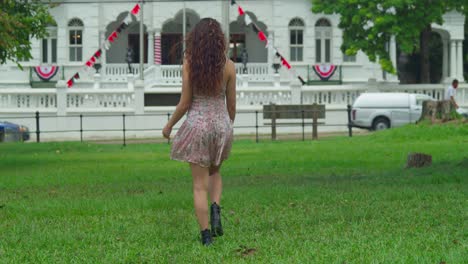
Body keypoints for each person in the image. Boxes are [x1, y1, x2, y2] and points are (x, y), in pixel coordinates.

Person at [162, 18, 236, 246]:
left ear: (197, 39)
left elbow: (185, 103)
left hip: (198, 126)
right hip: (221, 125)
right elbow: (231, 106)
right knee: (215, 173)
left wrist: (169, 126)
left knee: (198, 185)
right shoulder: (229, 66)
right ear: (219, 40)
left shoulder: (190, 63)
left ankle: (206, 237)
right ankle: (216, 208)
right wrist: (227, 127)